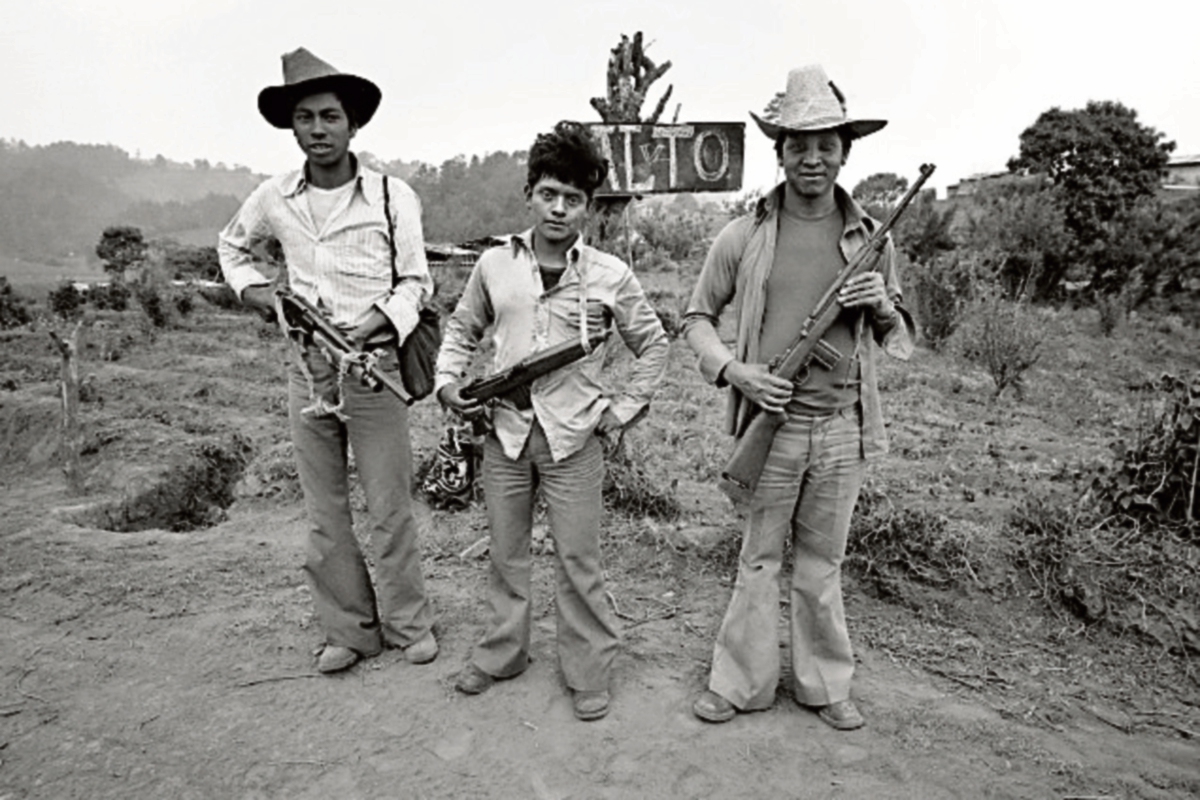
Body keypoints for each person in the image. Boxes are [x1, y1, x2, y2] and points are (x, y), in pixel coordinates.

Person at [681, 65, 915, 730]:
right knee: (756, 560)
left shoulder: (873, 238)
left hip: (843, 429)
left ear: (846, 150)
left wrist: (882, 309)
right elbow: (696, 318)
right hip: (770, 425)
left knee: (821, 564)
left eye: (826, 144)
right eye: (797, 144)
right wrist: (736, 372)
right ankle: (740, 683)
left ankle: (825, 684)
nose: (812, 158)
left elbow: (900, 338)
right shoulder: (743, 235)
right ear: (778, 151)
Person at [436, 121, 670, 721]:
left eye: (573, 199)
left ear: (588, 207)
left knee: (578, 561)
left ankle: (587, 670)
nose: (559, 209)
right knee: (506, 554)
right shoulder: (494, 264)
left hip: (575, 440)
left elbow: (655, 345)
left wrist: (619, 413)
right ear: (530, 194)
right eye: (549, 194)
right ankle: (502, 653)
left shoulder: (611, 275)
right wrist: (447, 381)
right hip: (505, 436)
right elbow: (462, 329)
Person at [218, 48, 438, 674]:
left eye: (331, 117)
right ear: (292, 127)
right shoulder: (274, 197)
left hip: (373, 368)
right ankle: (348, 630)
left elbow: (416, 284)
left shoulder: (393, 196)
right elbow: (231, 248)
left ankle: (408, 624)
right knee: (323, 511)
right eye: (306, 118)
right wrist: (264, 297)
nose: (318, 130)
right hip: (307, 370)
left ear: (353, 125)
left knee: (389, 505)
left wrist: (369, 324)